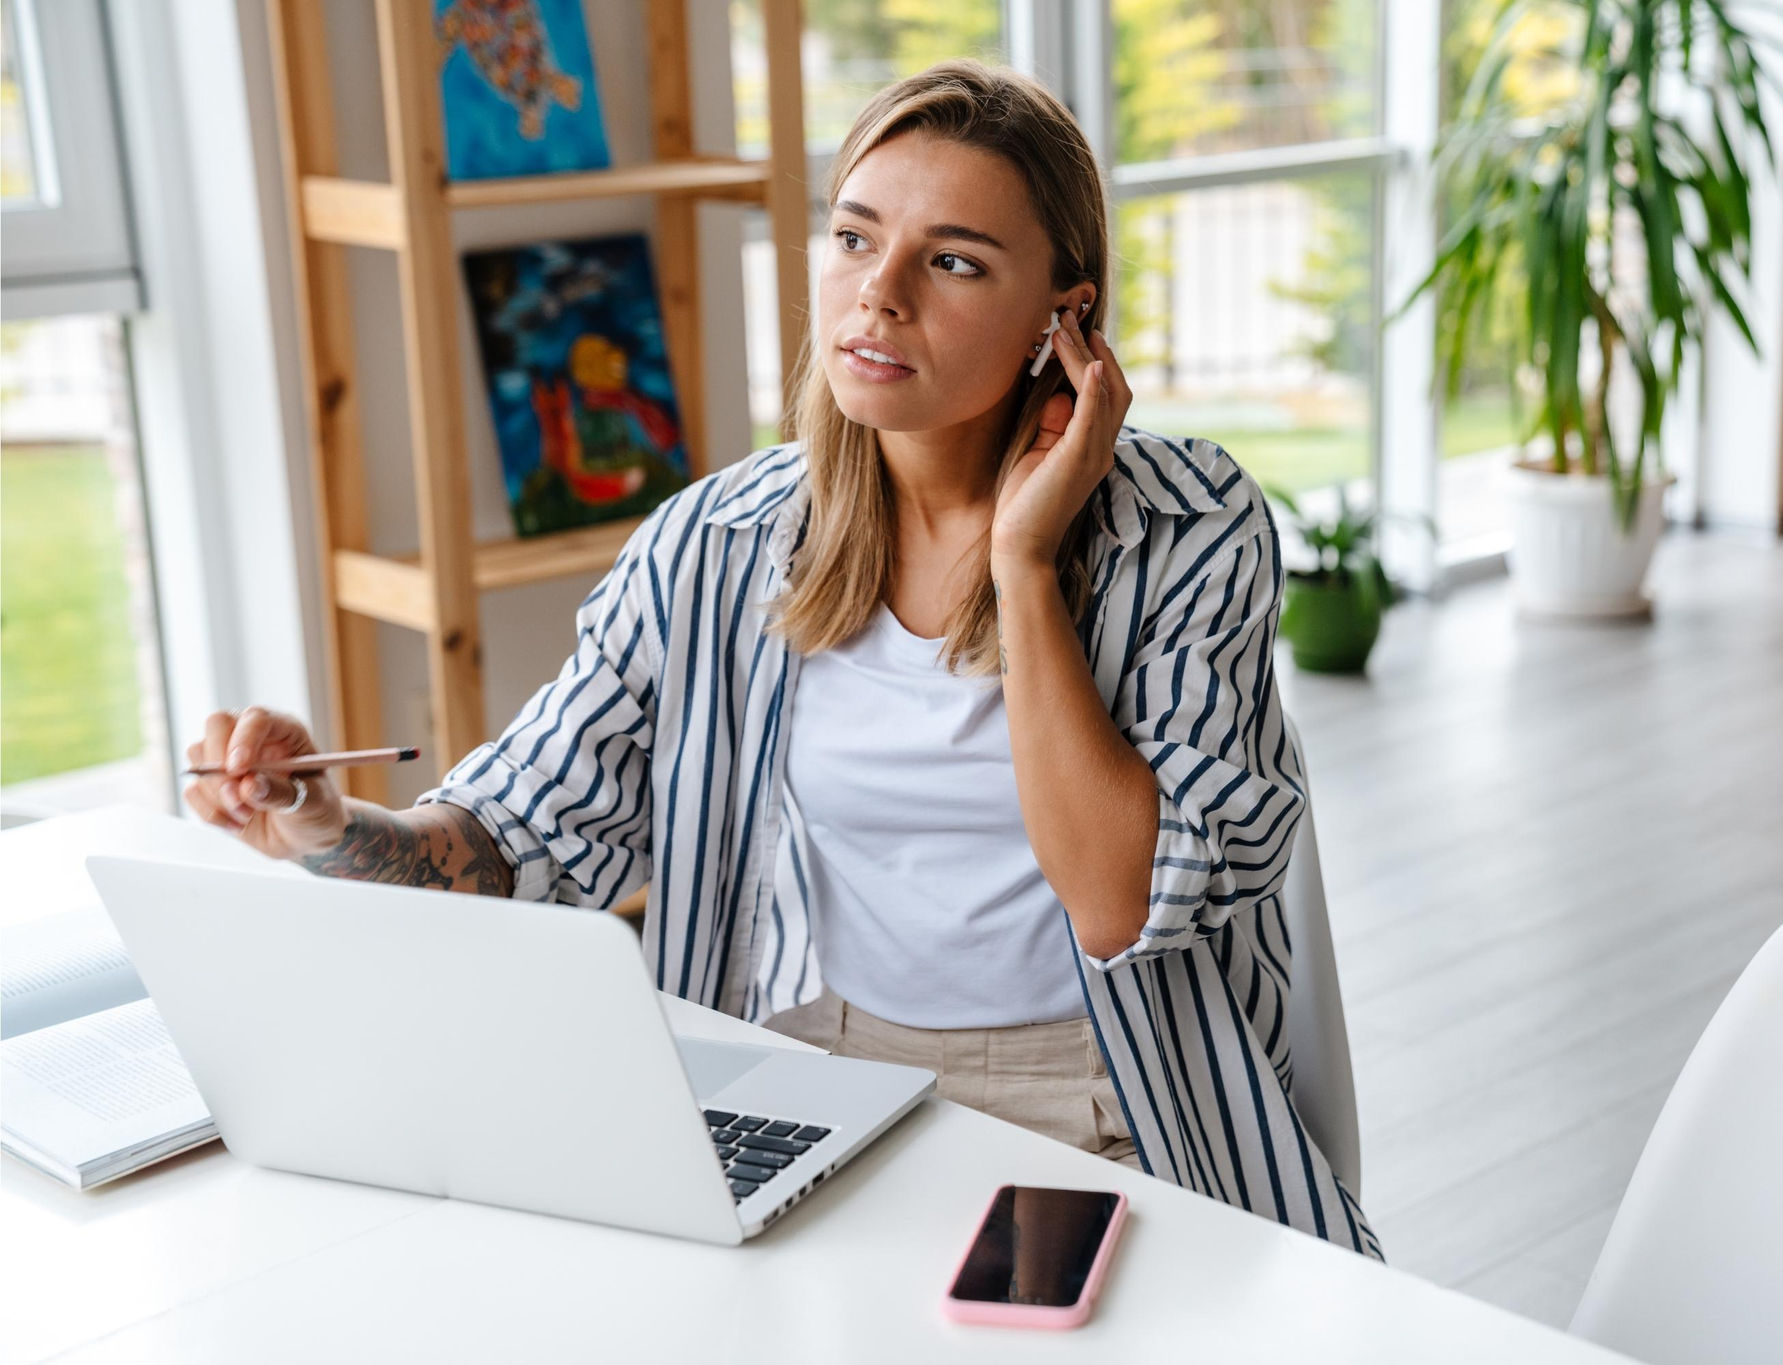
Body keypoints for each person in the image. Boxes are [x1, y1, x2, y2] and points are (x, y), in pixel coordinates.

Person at [183, 60, 1379, 1258]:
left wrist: (1022, 565)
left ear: (1061, 321)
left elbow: (1117, 901)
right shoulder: (718, 543)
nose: (881, 295)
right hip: (827, 1068)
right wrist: (325, 825)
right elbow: (514, 840)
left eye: (952, 261)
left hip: (1110, 1099)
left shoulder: (1186, 525)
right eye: (855, 238)